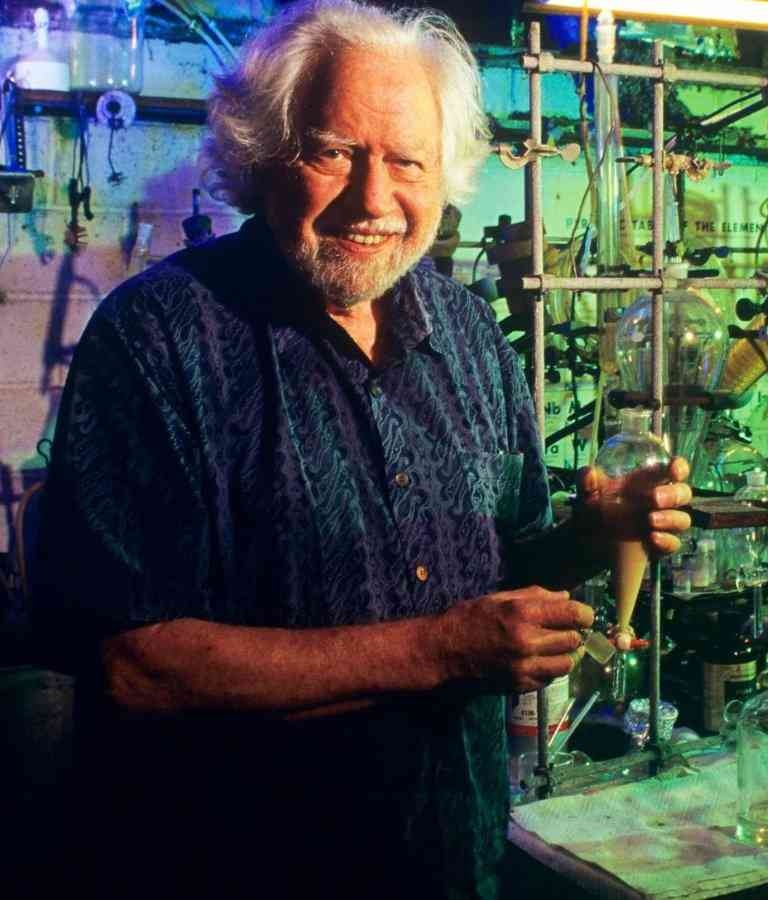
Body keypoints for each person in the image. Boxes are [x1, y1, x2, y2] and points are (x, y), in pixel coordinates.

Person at [31, 2, 691, 898]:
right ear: (264, 156)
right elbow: (132, 665)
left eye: (408, 162)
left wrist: (589, 534)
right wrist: (441, 651)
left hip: (455, 862)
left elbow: (502, 560)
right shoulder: (157, 339)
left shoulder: (464, 333)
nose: (374, 200)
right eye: (334, 152)